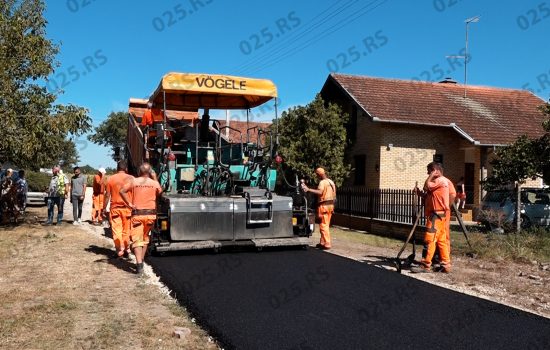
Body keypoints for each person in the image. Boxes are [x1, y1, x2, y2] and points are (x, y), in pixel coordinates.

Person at [120, 162, 162, 275]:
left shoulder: (134, 181)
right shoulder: (154, 183)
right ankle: (141, 261)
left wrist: (129, 204)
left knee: (137, 240)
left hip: (138, 215)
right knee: (145, 239)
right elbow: (160, 192)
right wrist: (155, 178)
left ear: (139, 171)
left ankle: (139, 265)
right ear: (150, 172)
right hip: (150, 215)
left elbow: (122, 191)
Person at [412, 162, 452, 273]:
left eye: (429, 170)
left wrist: (431, 175)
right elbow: (430, 196)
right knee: (441, 241)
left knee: (430, 239)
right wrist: (420, 194)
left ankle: (425, 265)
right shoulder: (438, 183)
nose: (427, 173)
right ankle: (446, 265)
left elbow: (426, 185)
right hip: (439, 215)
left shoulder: (440, 180)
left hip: (436, 215)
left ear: (435, 170)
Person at [103, 160, 133, 258]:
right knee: (127, 230)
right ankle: (127, 249)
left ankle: (120, 250)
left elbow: (107, 195)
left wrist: (104, 208)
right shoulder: (131, 178)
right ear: (126, 169)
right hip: (128, 209)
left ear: (117, 168)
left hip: (115, 208)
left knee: (117, 230)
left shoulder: (111, 179)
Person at [301, 167, 336, 250]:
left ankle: (327, 243)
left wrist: (308, 189)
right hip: (331, 205)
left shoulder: (322, 183)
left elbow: (320, 192)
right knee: (326, 224)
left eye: (317, 175)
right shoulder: (331, 182)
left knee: (323, 225)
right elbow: (334, 194)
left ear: (319, 174)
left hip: (324, 206)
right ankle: (322, 242)